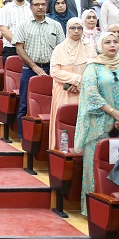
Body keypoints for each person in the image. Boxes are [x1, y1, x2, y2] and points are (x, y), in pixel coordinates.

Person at [74, 31, 119, 213]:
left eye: (115, 42)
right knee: (96, 165)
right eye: (107, 42)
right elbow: (91, 93)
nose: (112, 45)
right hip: (98, 123)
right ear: (100, 46)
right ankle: (93, 211)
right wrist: (113, 113)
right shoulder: (92, 67)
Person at [14, 0, 64, 139]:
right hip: (29, 69)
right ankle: (23, 137)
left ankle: (50, 137)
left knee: (53, 103)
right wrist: (34, 66)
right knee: (25, 103)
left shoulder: (55, 25)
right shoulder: (23, 25)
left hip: (52, 69)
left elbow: (61, 48)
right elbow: (19, 49)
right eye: (37, 5)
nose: (40, 7)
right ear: (31, 7)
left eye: (43, 4)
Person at [47, 17, 91, 149]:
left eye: (79, 28)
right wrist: (76, 80)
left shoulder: (89, 49)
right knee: (64, 123)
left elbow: (94, 71)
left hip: (83, 92)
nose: (76, 31)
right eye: (73, 28)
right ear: (67, 29)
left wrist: (80, 84)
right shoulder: (59, 49)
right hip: (64, 92)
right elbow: (54, 72)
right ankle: (60, 158)